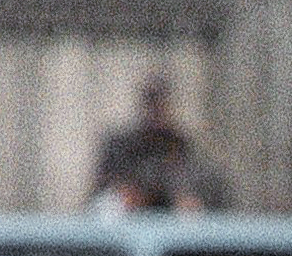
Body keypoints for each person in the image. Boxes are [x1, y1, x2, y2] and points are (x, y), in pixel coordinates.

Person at [90, 74, 223, 215]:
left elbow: (189, 182)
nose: (156, 110)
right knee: (109, 205)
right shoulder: (121, 144)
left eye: (161, 104)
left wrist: (180, 196)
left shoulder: (177, 144)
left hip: (166, 209)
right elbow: (101, 185)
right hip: (127, 213)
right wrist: (124, 192)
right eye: (151, 103)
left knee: (190, 211)